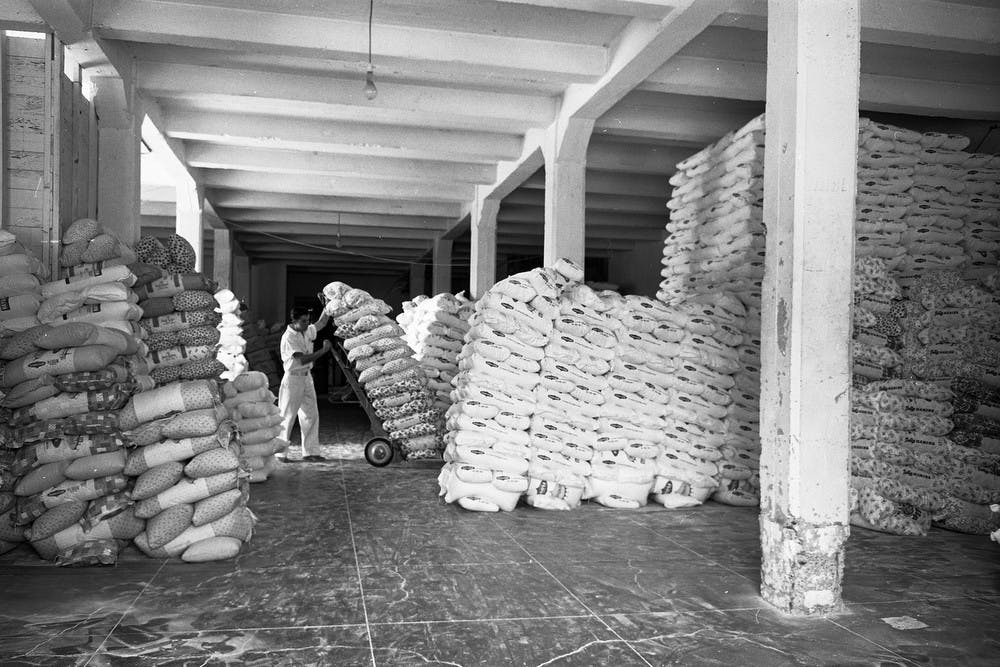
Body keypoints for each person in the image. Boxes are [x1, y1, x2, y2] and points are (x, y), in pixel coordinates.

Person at [277, 305, 333, 462]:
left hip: (306, 377)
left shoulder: (306, 330)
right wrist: (323, 351)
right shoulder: (289, 337)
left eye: (308, 321)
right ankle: (280, 453)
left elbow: (321, 323)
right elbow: (302, 359)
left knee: (311, 414)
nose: (307, 324)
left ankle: (310, 452)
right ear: (294, 321)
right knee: (287, 416)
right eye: (303, 321)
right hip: (293, 379)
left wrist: (329, 306)